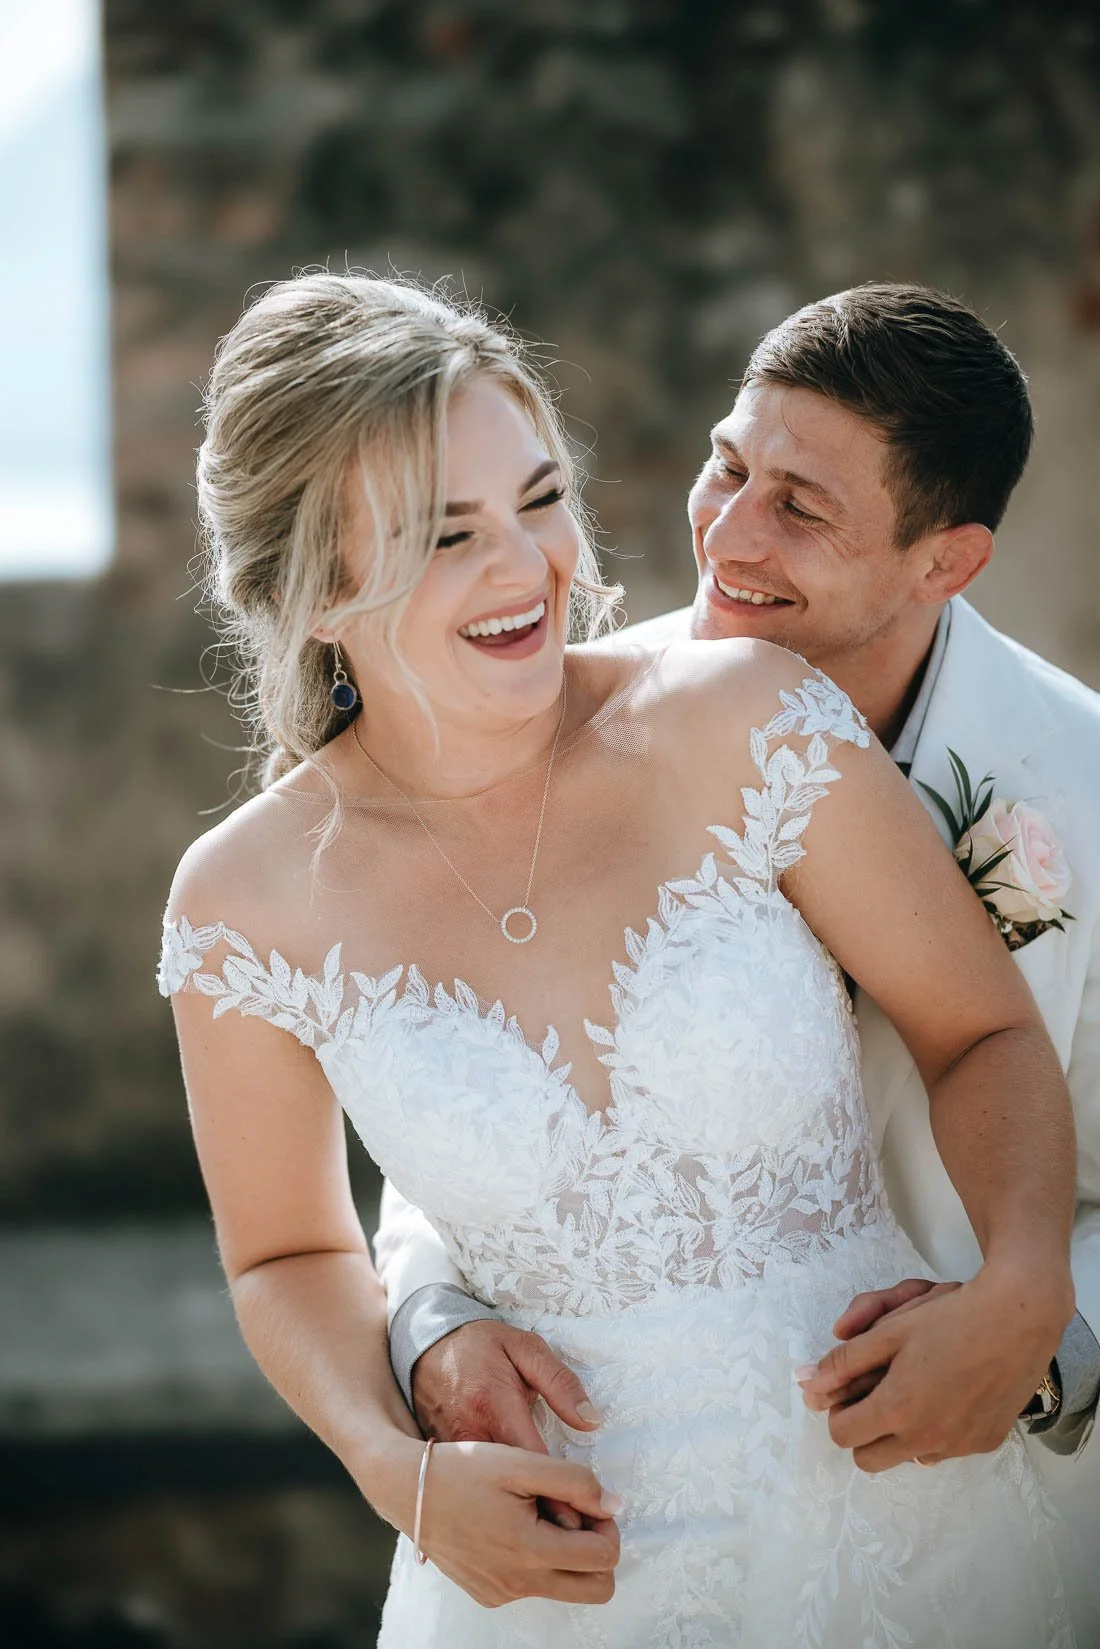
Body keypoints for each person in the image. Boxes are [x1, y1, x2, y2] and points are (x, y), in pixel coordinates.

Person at [159, 273, 1078, 1647]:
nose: (527, 565)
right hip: (549, 1589)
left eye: (540, 499)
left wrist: (1020, 1283)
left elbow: (982, 1033)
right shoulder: (240, 901)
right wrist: (400, 1475)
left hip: (906, 1540)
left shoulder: (745, 713)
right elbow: (289, 1252)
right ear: (311, 582)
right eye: (445, 534)